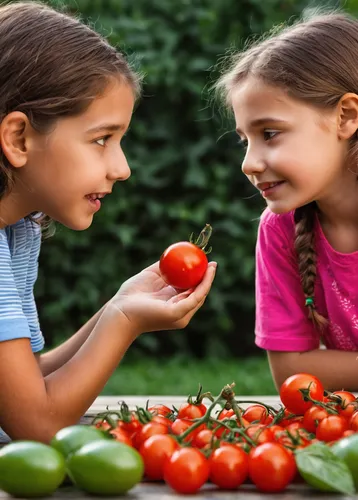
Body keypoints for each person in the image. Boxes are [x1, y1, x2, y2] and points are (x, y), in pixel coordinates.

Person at [0, 1, 217, 443]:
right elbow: (35, 424)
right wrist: (123, 322)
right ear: (18, 137)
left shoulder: (18, 230)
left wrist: (116, 305)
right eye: (101, 140)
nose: (122, 168)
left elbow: (21, 386)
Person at [215, 10, 358, 392]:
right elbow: (292, 375)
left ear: (346, 116)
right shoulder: (281, 228)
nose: (248, 163)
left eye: (271, 133)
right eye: (245, 140)